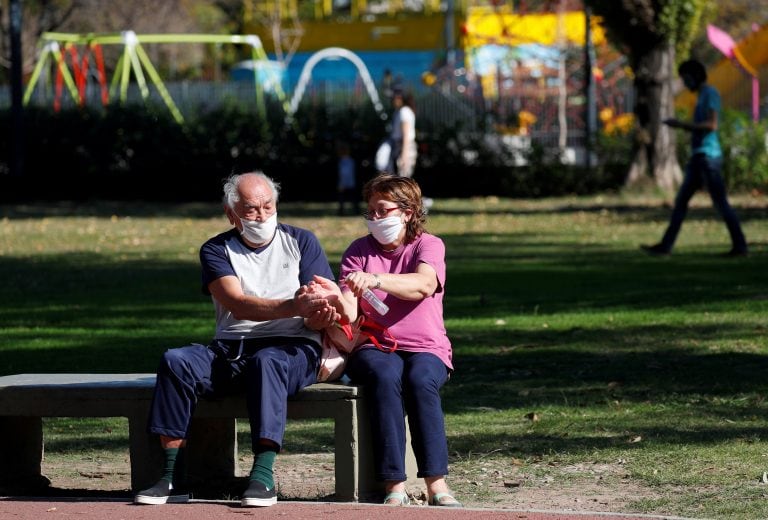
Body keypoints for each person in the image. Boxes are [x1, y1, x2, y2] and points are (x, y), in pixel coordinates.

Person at [134, 171, 343, 507]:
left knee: (267, 362)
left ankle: (263, 476)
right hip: (230, 348)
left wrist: (319, 314)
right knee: (176, 361)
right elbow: (237, 303)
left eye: (268, 207)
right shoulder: (216, 249)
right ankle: (172, 475)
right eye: (250, 210)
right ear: (231, 214)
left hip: (292, 349)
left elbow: (321, 300)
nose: (261, 216)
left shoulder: (302, 241)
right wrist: (294, 304)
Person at [337, 174, 461, 507]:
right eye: (370, 211)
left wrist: (377, 280)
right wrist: (333, 301)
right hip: (375, 346)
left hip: (427, 347)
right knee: (385, 375)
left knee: (420, 380)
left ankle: (437, 484)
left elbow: (423, 285)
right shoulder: (358, 251)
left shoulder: (428, 245)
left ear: (407, 212)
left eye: (383, 210)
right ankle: (394, 484)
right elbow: (349, 310)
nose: (374, 218)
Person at [642, 59, 748, 257]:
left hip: (709, 158)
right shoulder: (701, 96)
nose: (685, 83)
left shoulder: (710, 94)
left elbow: (712, 125)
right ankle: (665, 246)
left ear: (696, 76)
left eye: (686, 78)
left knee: (720, 203)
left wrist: (682, 125)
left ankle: (740, 246)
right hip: (698, 157)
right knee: (681, 202)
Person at [384, 88, 417, 178]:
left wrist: (404, 154)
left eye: (394, 98)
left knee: (403, 178)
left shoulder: (404, 111)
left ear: (400, 98)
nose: (392, 100)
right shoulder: (399, 111)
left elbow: (406, 134)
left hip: (404, 145)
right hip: (399, 145)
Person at [336, 140, 358, 216]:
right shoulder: (350, 161)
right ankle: (345, 212)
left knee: (344, 199)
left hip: (346, 182)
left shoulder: (344, 161)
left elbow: (344, 173)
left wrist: (341, 183)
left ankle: (343, 212)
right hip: (350, 182)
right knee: (350, 199)